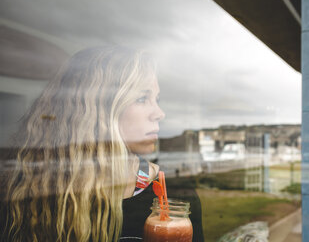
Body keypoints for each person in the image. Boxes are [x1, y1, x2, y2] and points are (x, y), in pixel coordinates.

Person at [0, 46, 190, 241]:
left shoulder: (172, 199)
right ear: (100, 112)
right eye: (142, 99)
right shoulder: (28, 193)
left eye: (156, 99)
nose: (160, 113)